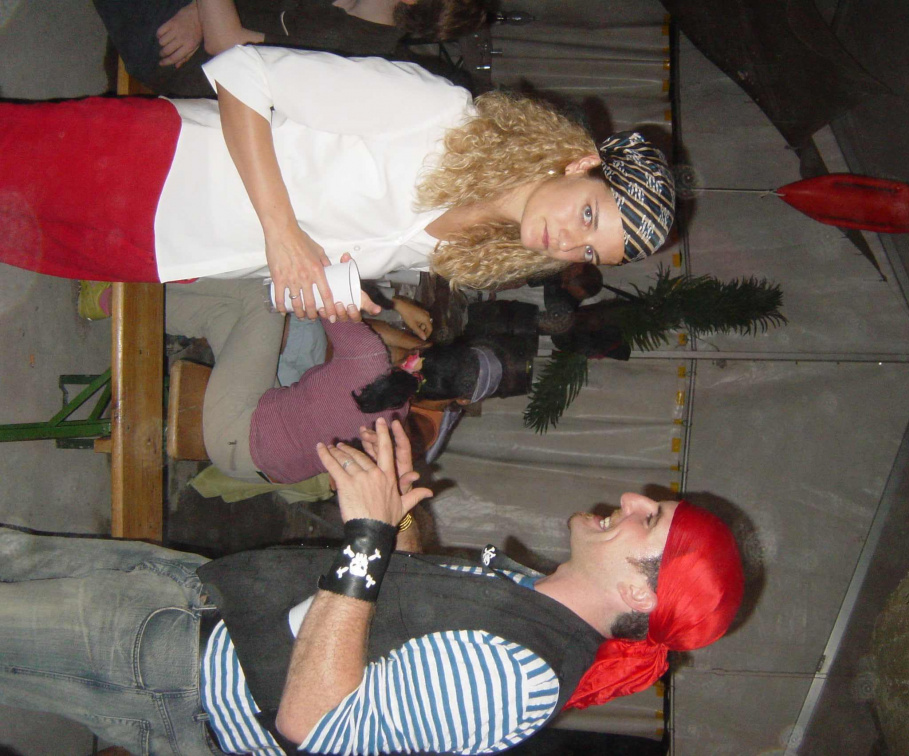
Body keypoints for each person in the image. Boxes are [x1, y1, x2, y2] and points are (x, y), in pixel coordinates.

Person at [0, 419, 743, 754]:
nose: (635, 499)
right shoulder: (528, 591)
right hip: (196, 598)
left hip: (173, 671)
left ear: (642, 596)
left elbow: (318, 728)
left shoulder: (518, 680)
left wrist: (367, 536)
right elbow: (396, 608)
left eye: (651, 521)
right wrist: (399, 512)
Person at [0, 45, 676, 321]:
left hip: (173, 251)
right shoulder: (440, 116)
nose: (567, 244)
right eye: (590, 217)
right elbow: (244, 73)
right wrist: (282, 231)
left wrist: (325, 292)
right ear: (579, 164)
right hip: (154, 167)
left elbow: (299, 256)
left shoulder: (465, 250)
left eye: (589, 252)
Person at [167, 278, 526, 483]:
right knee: (223, 314)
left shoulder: (369, 360)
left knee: (265, 295)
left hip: (240, 430)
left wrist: (398, 303)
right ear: (452, 402)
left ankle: (156, 266)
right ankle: (142, 299)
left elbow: (324, 284)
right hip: (254, 462)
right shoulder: (396, 423)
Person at [92, 0, 491, 97]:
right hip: (198, 15)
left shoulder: (352, 48)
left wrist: (202, 11)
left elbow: (226, 44)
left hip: (180, 55)